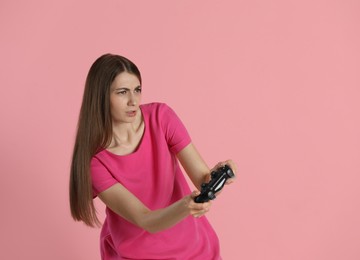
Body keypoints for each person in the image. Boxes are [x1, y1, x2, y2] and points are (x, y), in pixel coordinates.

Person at [69, 53, 237, 260]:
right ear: (101, 96)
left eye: (137, 90)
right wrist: (185, 206)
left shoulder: (161, 117)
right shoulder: (95, 163)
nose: (133, 101)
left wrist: (218, 176)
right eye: (122, 92)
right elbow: (145, 219)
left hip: (194, 248)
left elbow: (202, 179)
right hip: (137, 254)